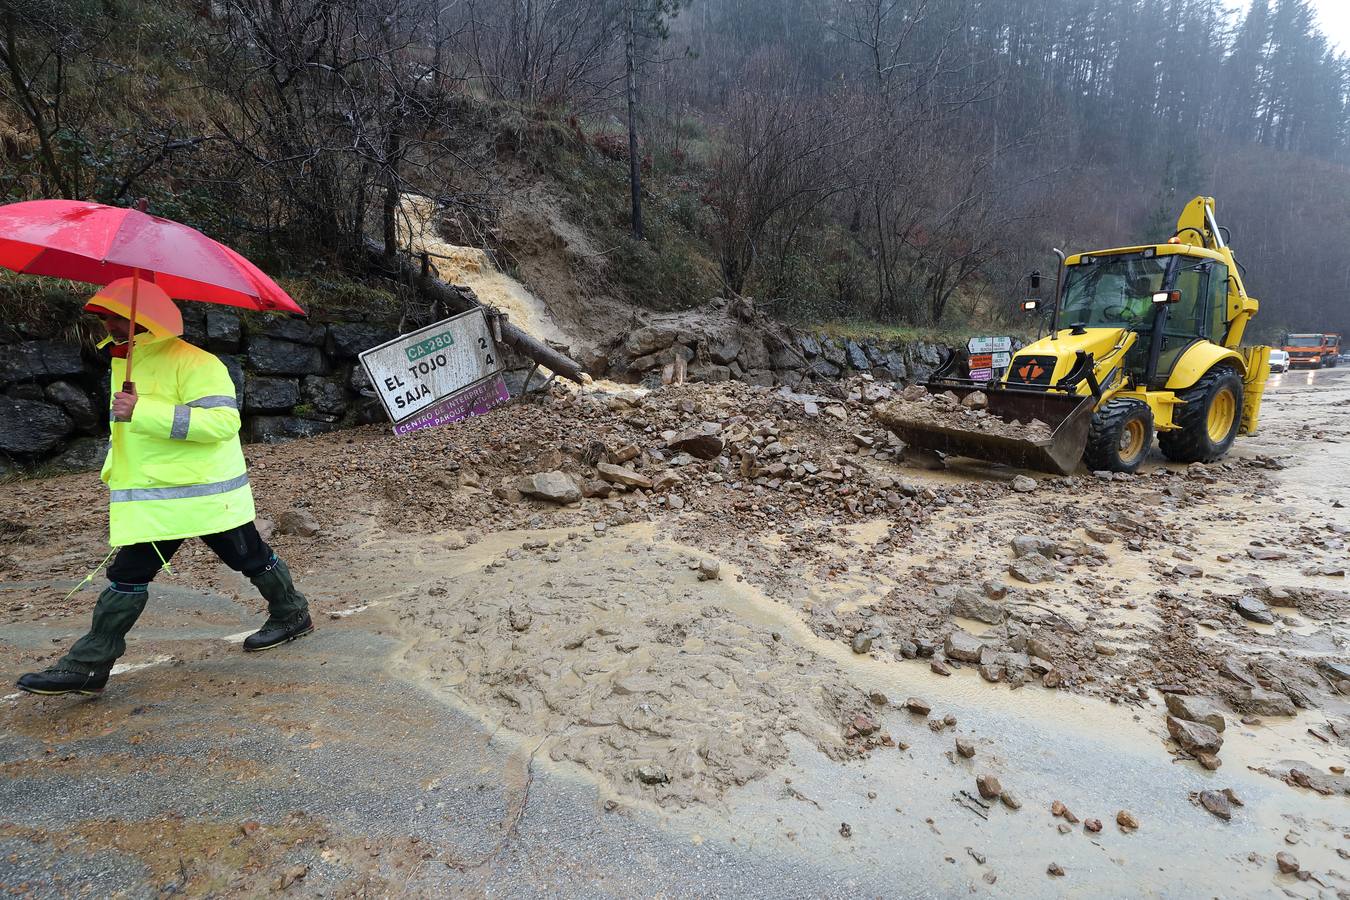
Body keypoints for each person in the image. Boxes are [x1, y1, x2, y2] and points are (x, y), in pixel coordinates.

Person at [16, 278, 313, 696]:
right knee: (129, 574)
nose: (107, 328)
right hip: (158, 497)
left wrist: (144, 409)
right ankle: (89, 665)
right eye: (104, 320)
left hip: (205, 494)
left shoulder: (197, 363)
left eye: (113, 319)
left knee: (250, 557)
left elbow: (223, 424)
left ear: (144, 320)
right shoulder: (125, 361)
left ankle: (292, 613)